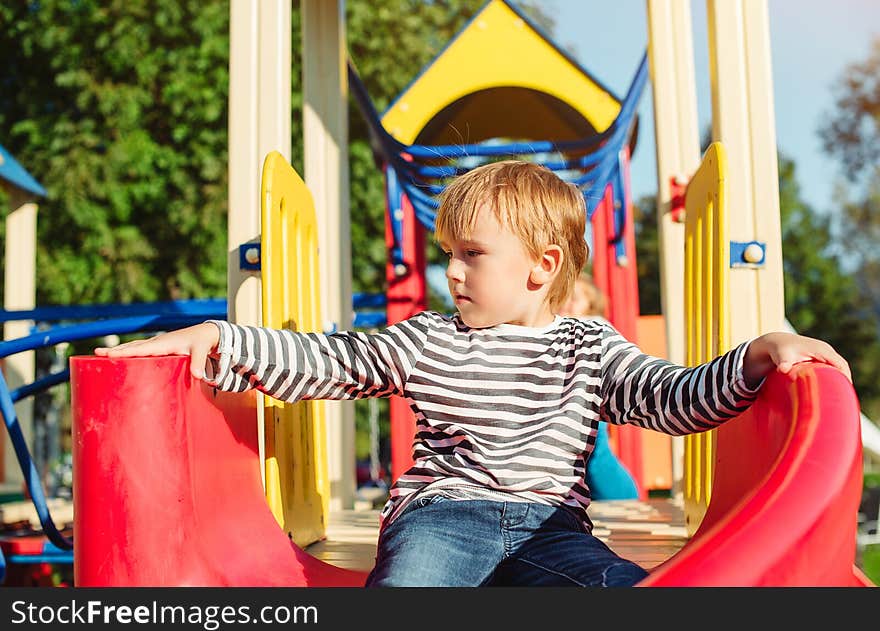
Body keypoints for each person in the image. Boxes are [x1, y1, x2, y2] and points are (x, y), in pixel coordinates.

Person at [95, 159, 851, 587]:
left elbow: (670, 397)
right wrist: (219, 337)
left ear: (541, 267)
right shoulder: (428, 338)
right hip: (441, 517)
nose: (450, 271)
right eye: (448, 251)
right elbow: (329, 359)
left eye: (471, 254)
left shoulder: (588, 344)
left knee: (623, 591)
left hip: (552, 525)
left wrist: (757, 354)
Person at [558, 272, 639, 500]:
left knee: (594, 454)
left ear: (591, 304)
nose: (567, 303)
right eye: (563, 297)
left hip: (588, 402)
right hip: (576, 401)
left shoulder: (592, 326)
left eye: (575, 298)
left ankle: (623, 498)